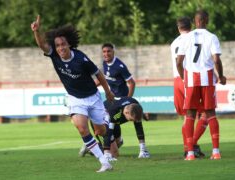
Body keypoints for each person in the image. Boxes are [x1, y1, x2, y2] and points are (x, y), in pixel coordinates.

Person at [31, 15, 115, 172]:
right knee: (82, 128)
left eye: (63, 44)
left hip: (93, 97)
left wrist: (108, 92)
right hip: (75, 98)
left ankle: (109, 127)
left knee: (100, 131)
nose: (61, 48)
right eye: (57, 45)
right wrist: (37, 31)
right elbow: (42, 44)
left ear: (69, 44)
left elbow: (99, 74)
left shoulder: (81, 58)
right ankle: (104, 162)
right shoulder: (54, 56)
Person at [79, 43, 150, 159]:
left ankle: (99, 148)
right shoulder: (105, 64)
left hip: (122, 105)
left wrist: (127, 99)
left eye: (109, 51)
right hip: (111, 106)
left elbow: (131, 82)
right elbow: (103, 80)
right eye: (104, 52)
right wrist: (90, 87)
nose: (106, 54)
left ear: (113, 52)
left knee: (119, 140)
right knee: (114, 142)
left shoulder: (119, 66)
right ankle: (96, 147)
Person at [176, 10, 226, 160]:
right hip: (207, 79)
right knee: (210, 114)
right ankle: (216, 152)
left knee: (190, 114)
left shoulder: (186, 38)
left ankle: (190, 153)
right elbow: (216, 60)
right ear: (207, 20)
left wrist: (184, 77)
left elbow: (178, 62)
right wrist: (221, 75)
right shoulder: (212, 37)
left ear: (195, 21)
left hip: (191, 80)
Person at [171, 17, 207, 158]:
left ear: (178, 28)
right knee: (205, 113)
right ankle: (191, 146)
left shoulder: (174, 43)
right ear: (191, 26)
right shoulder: (193, 39)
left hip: (176, 80)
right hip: (190, 78)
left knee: (188, 116)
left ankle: (191, 147)